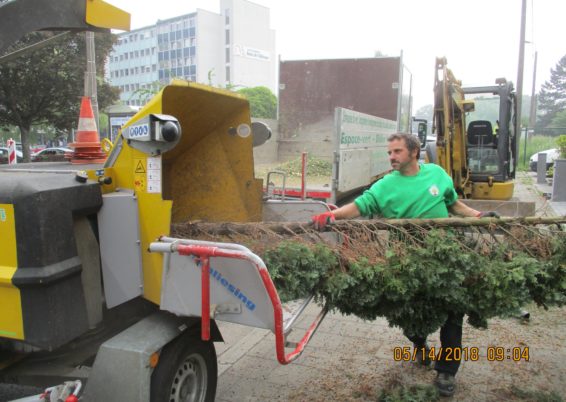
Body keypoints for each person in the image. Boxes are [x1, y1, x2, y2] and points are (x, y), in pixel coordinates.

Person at [311, 133, 499, 397]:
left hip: (445, 256)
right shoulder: (386, 184)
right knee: (407, 312)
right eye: (389, 152)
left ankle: (446, 371)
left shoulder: (436, 173)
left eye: (397, 151)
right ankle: (420, 344)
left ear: (413, 152)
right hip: (406, 259)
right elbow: (360, 206)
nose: (391, 157)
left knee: (453, 314)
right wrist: (331, 215)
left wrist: (477, 215)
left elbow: (452, 203)